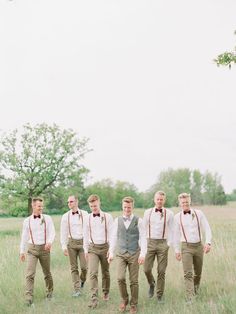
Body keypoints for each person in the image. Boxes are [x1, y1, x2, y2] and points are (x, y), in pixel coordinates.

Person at [108, 196, 147, 314]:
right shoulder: (117, 220)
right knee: (120, 278)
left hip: (135, 253)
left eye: (129, 207)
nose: (127, 209)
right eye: (125, 207)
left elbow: (143, 237)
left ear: (132, 207)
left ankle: (133, 304)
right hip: (121, 253)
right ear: (122, 207)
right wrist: (111, 252)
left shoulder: (139, 221)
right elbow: (114, 237)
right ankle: (124, 300)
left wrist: (143, 254)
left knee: (134, 280)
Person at [173, 193, 212, 303]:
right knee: (188, 273)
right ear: (180, 203)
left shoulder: (199, 213)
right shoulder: (177, 217)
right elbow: (175, 235)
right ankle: (190, 297)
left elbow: (207, 228)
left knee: (198, 273)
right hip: (186, 247)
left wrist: (208, 243)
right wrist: (176, 250)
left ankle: (196, 290)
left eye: (187, 202)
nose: (185, 204)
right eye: (183, 202)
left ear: (190, 201)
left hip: (199, 246)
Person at [19, 197, 55, 306]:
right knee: (30, 274)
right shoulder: (27, 221)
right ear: (33, 206)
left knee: (47, 273)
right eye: (39, 206)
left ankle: (49, 293)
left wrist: (49, 242)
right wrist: (22, 251)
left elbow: (52, 232)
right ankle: (29, 298)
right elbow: (24, 237)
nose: (41, 208)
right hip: (32, 250)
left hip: (45, 249)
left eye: (42, 206)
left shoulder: (47, 218)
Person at [143, 191, 174, 303]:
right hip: (150, 243)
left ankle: (159, 295)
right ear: (154, 199)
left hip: (163, 244)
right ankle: (152, 284)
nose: (159, 201)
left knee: (161, 271)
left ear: (164, 200)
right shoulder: (147, 212)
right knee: (146, 269)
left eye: (161, 199)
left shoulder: (169, 213)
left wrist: (168, 244)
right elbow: (143, 229)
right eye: (158, 199)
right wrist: (143, 244)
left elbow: (172, 230)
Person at [83, 194, 113, 309]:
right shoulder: (87, 218)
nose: (93, 208)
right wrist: (85, 250)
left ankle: (105, 292)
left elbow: (112, 234)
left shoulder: (107, 217)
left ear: (99, 203)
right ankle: (94, 299)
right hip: (93, 248)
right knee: (93, 273)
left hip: (105, 247)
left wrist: (111, 250)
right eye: (91, 206)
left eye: (95, 205)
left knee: (105, 272)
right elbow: (85, 235)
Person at [60, 195, 88, 297]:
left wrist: (88, 243)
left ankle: (82, 280)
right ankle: (77, 290)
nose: (69, 204)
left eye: (71, 201)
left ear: (76, 202)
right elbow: (63, 232)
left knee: (84, 267)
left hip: (83, 243)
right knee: (74, 268)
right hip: (71, 243)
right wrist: (63, 246)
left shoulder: (85, 214)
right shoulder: (65, 216)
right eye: (68, 202)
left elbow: (89, 229)